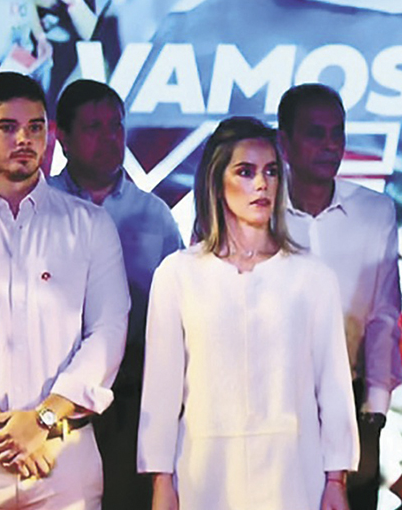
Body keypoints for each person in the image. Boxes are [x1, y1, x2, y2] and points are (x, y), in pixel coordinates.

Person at [137, 117, 359, 510]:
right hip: (204, 472)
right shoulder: (178, 274)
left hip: (293, 473)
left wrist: (336, 479)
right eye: (245, 172)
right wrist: (161, 482)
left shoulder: (312, 276)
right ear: (216, 182)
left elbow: (335, 388)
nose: (262, 184)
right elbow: (161, 389)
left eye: (271, 172)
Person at [0, 72, 130, 508]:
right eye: (7, 127)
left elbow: (107, 333)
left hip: (63, 456)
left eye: (35, 126)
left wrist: (42, 421)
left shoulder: (90, 226)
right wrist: (4, 430)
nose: (24, 138)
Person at [49, 79, 183, 510]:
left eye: (116, 126)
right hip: (50, 394)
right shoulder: (40, 206)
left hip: (131, 395)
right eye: (93, 127)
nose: (110, 138)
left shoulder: (154, 215)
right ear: (63, 138)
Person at [277, 83, 402, 510]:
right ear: (284, 142)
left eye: (338, 133)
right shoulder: (254, 211)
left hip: (350, 399)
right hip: (267, 401)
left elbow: (384, 318)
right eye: (316, 133)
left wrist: (374, 414)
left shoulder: (375, 212)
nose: (331, 145)